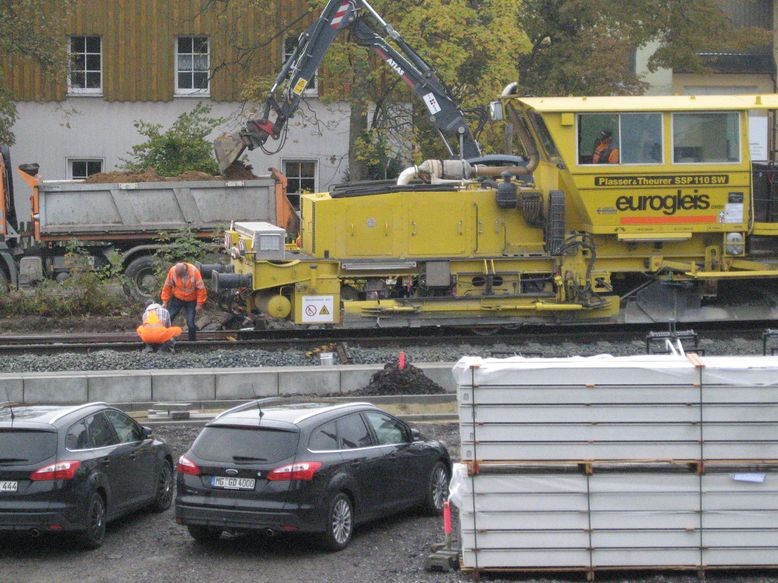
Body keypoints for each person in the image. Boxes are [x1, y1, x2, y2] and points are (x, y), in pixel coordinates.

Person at [160, 262, 207, 341]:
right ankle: (164, 339)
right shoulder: (172, 271)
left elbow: (201, 289)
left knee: (190, 323)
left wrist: (199, 304)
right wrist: (165, 301)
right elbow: (167, 286)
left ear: (185, 271)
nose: (179, 277)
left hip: (191, 300)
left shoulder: (194, 272)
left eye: (180, 275)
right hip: (177, 298)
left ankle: (192, 342)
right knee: (168, 318)